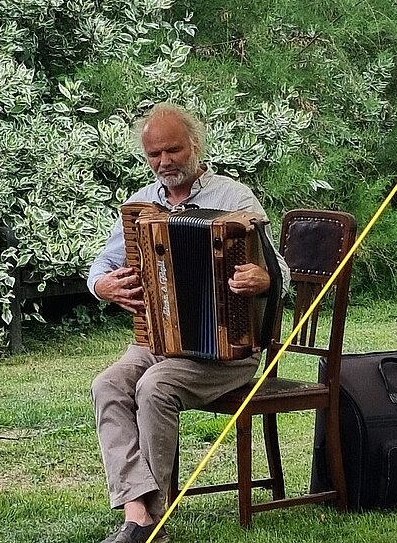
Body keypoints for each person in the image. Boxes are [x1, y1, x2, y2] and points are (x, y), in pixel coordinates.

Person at [87, 103, 290, 543]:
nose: (164, 162)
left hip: (227, 349)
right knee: (108, 384)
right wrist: (102, 285)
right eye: (154, 155)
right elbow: (102, 263)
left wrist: (265, 277)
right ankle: (138, 511)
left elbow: (281, 270)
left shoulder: (234, 199)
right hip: (155, 342)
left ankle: (146, 526)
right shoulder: (141, 206)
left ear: (195, 146)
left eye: (172, 151)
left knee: (155, 386)